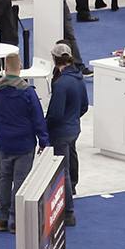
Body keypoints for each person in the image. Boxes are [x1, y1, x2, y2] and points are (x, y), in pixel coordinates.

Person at [0, 52, 48, 233]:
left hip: (4, 143)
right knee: (21, 181)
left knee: (4, 179)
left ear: (5, 68)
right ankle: (16, 220)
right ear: (19, 67)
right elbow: (38, 118)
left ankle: (2, 218)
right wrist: (44, 141)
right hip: (24, 144)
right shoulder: (27, 92)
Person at [45, 43, 87, 225]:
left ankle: (68, 212)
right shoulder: (78, 78)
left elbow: (55, 114)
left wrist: (44, 128)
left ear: (54, 59)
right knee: (68, 167)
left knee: (63, 173)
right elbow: (84, 106)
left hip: (61, 132)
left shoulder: (61, 84)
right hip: (73, 129)